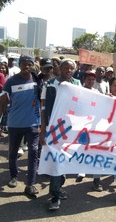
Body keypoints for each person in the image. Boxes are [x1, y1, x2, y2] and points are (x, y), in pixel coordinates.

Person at [39, 58, 81, 211]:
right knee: (57, 161)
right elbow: (43, 109)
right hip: (54, 131)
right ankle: (55, 197)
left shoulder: (77, 85)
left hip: (70, 131)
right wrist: (43, 130)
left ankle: (56, 188)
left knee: (63, 161)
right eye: (65, 67)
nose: (68, 70)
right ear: (60, 68)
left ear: (74, 71)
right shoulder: (49, 84)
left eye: (71, 68)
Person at [0, 55, 42, 197]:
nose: (27, 67)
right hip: (15, 124)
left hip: (33, 124)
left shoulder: (37, 80)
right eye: (24, 64)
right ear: (20, 65)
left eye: (29, 64)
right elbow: (2, 100)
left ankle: (30, 184)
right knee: (13, 152)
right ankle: (13, 176)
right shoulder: (11, 81)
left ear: (32, 65)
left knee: (33, 152)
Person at [92, 77, 116, 199]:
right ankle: (96, 179)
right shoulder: (104, 98)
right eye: (115, 85)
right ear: (110, 86)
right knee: (100, 159)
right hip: (103, 135)